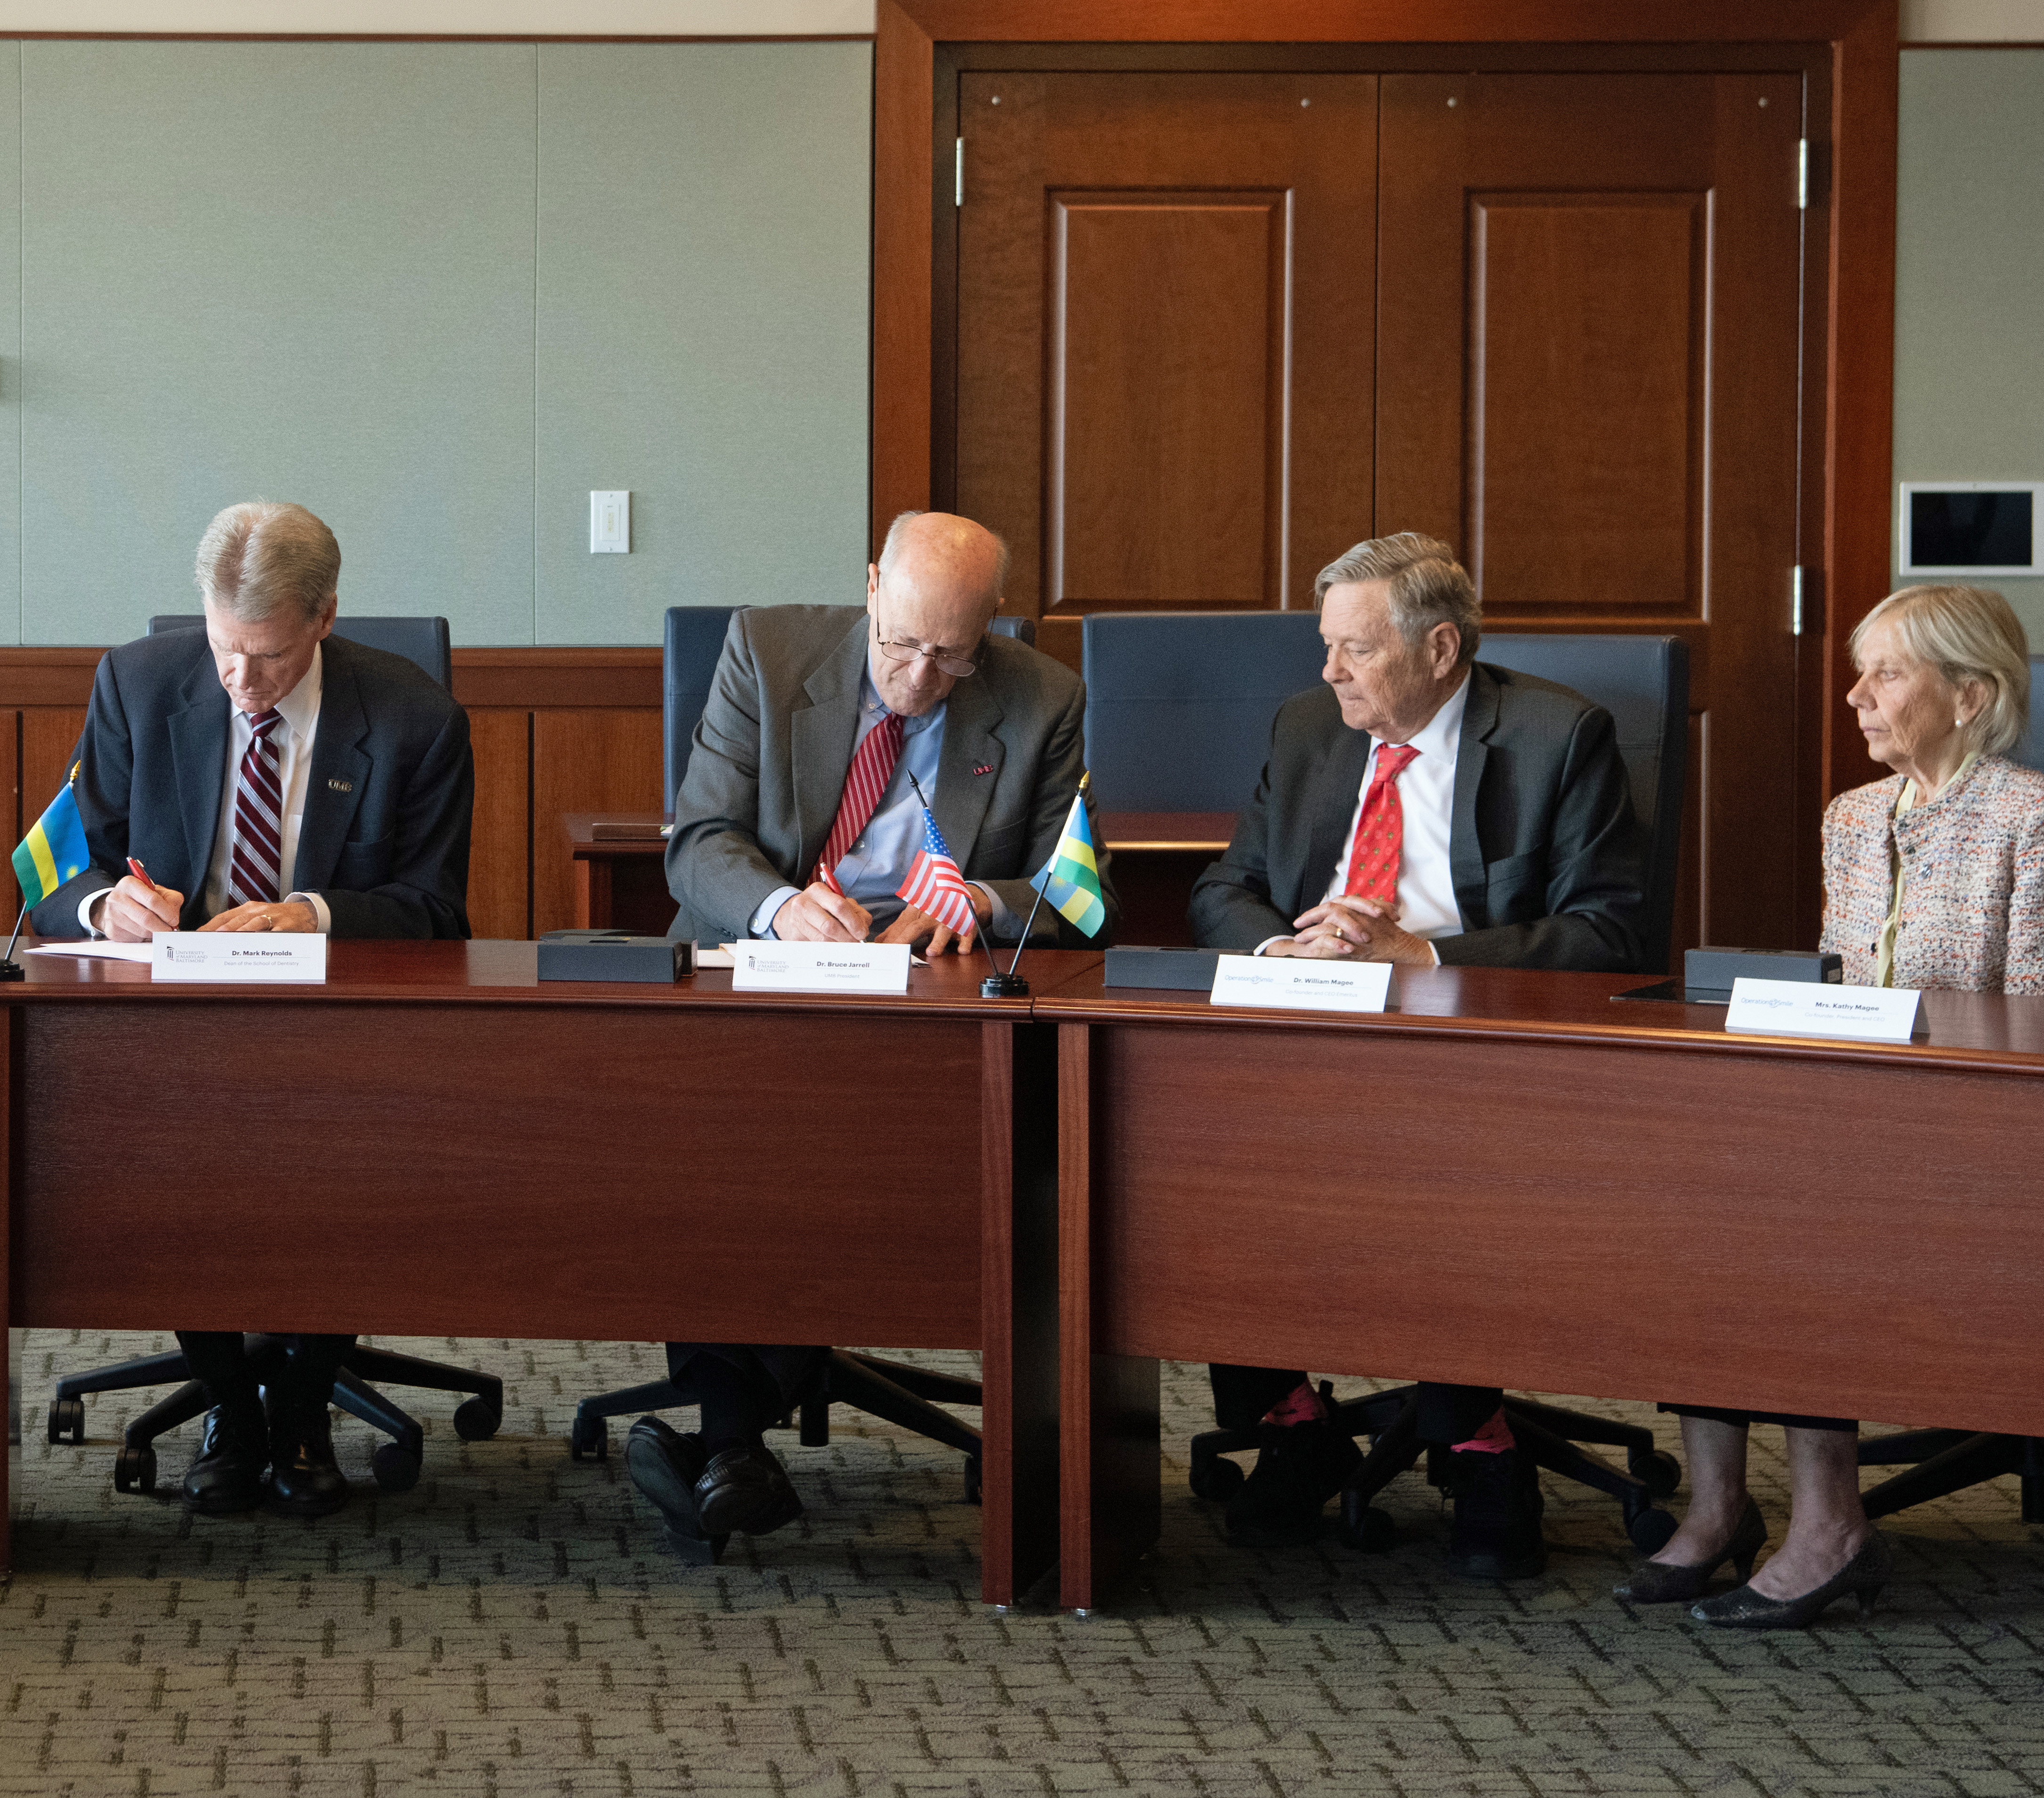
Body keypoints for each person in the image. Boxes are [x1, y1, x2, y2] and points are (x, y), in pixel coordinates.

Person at [637, 511, 1112, 1559]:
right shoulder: (768, 649)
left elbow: (1072, 895)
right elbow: (700, 843)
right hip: (762, 972)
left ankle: (727, 1446)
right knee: (723, 1146)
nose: (917, 675)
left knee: (844, 1154)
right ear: (869, 590)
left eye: (951, 654)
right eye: (901, 644)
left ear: (988, 630)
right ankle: (733, 1440)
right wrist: (776, 907)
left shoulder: (1043, 697)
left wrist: (976, 905)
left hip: (923, 999)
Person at [1188, 531, 1651, 1580]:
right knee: (1188, 1154)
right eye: (1326, 647)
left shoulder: (1556, 735)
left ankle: (1478, 1440)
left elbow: (1609, 930)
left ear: (1441, 649)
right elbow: (1224, 888)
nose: (1330, 672)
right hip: (1307, 1018)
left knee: (1438, 1179)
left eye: (1355, 650)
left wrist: (1419, 953)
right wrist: (1283, 946)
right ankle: (1291, 1422)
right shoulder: (1310, 728)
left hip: (1469, 1034)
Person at [23, 500, 473, 1518]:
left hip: (340, 1025)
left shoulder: (415, 719)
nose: (240, 680)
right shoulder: (137, 685)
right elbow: (56, 874)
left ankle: (306, 1408)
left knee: (340, 1156)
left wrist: (311, 914)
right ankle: (229, 1405)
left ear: (324, 618)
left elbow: (438, 912)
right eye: (225, 649)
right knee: (165, 1151)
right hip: (174, 1022)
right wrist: (106, 903)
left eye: (266, 657)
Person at [1624, 583, 2044, 1629]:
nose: (1856, 696)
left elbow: (2034, 1021)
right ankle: (1721, 1509)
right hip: (1863, 1114)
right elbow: (1844, 995)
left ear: (1972, 695)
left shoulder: (2030, 820)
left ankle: (1831, 1528)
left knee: (1802, 1229)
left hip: (1984, 1133)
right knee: (1702, 1207)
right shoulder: (1853, 819)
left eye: (1888, 673)